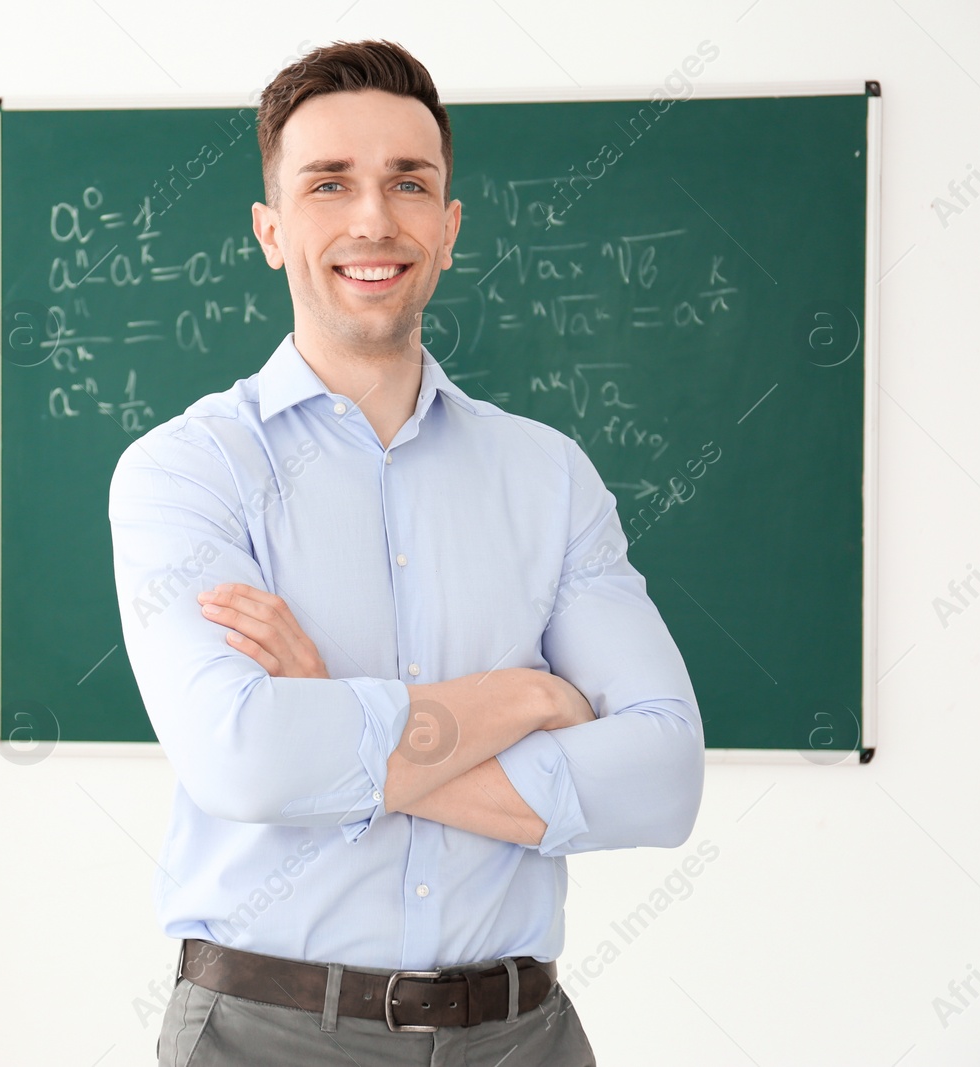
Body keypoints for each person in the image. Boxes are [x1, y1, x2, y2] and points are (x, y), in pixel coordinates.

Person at [108, 38, 704, 1066]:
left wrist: (334, 707)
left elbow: (662, 777)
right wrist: (525, 695)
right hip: (266, 1035)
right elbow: (241, 758)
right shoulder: (187, 470)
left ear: (448, 227)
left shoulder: (548, 474)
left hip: (522, 1036)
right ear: (270, 227)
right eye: (328, 183)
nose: (372, 219)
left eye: (408, 183)